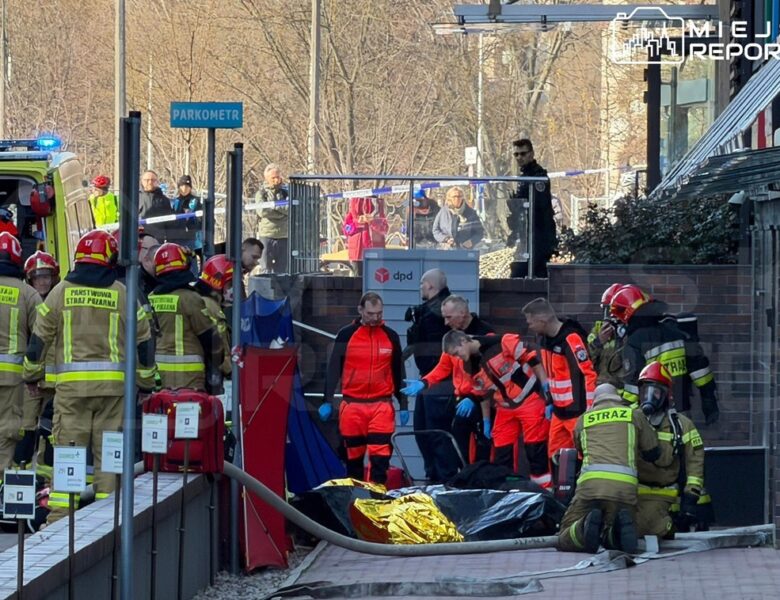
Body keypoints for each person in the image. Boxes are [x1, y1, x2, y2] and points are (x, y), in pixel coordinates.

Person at [23, 230, 158, 523]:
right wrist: (146, 384)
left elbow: (38, 340)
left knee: (68, 458)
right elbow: (144, 342)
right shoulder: (123, 293)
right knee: (110, 459)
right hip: (114, 394)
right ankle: (108, 521)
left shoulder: (60, 292)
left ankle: (60, 522)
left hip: (72, 394)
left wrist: (32, 376)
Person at [556, 383, 665, 554]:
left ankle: (583, 528)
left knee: (565, 533)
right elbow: (652, 452)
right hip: (624, 489)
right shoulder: (633, 415)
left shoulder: (583, 419)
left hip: (590, 488)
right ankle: (613, 534)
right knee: (618, 525)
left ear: (595, 401)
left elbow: (581, 452)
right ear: (617, 397)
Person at [442, 330, 552, 487]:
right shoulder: (469, 367)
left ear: (463, 341)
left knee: (535, 449)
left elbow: (533, 360)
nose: (457, 358)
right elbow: (483, 395)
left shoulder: (501, 343)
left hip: (529, 400)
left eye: (456, 353)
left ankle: (544, 490)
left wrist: (546, 388)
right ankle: (506, 490)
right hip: (504, 407)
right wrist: (486, 420)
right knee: (501, 452)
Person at [318, 293, 407, 484]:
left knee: (380, 458)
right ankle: (355, 497)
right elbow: (334, 368)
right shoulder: (346, 335)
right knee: (353, 459)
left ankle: (377, 496)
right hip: (353, 405)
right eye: (370, 314)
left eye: (379, 313)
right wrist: (327, 400)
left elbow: (398, 371)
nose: (375, 318)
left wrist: (404, 404)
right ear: (360, 310)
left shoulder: (390, 336)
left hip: (381, 405)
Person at [402, 295, 495, 465]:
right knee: (456, 445)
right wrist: (425, 382)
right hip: (460, 400)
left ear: (463, 312)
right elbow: (443, 367)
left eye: (448, 317)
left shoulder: (485, 334)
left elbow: (490, 375)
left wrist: (474, 398)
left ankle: (478, 476)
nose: (445, 322)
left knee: (481, 448)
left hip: (482, 402)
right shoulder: (452, 336)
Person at [609, 285, 720, 424]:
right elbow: (700, 372)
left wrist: (622, 415)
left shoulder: (635, 342)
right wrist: (709, 401)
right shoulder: (677, 333)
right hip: (681, 410)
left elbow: (633, 387)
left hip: (652, 414)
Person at [635, 362, 705, 539]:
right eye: (645, 391)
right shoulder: (631, 420)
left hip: (667, 496)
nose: (649, 397)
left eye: (655, 392)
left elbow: (695, 462)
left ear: (667, 394)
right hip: (635, 495)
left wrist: (690, 498)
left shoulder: (682, 425)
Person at [522, 298, 596, 459]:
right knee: (555, 456)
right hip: (558, 411)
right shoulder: (544, 339)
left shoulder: (570, 339)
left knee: (583, 455)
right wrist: (549, 400)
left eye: (530, 322)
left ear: (542, 320)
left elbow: (588, 374)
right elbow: (551, 374)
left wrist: (590, 409)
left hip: (577, 411)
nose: (529, 326)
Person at [404, 269, 457, 482]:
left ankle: (442, 480)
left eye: (421, 284)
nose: (420, 288)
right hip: (427, 380)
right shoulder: (428, 311)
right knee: (423, 431)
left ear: (430, 286)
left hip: (439, 382)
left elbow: (433, 349)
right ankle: (433, 476)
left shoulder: (438, 312)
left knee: (436, 434)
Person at [149, 243, 223, 393]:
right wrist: (219, 360)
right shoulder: (190, 298)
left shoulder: (150, 298)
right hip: (188, 379)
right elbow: (209, 338)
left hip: (157, 377)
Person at [14, 251, 59, 476]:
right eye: (37, 277)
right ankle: (18, 473)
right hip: (31, 380)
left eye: (46, 276)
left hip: (54, 381)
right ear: (30, 279)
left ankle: (44, 475)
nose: (42, 281)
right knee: (26, 427)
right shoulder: (26, 301)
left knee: (50, 429)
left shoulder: (59, 300)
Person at [0, 234, 41, 471]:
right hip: (12, 379)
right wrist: (35, 376)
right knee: (7, 430)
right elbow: (42, 336)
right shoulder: (28, 294)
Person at [507, 139, 556, 278]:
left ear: (531, 154)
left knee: (526, 272)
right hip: (526, 233)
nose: (519, 157)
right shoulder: (525, 176)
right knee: (521, 271)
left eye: (523, 153)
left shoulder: (538, 176)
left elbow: (541, 207)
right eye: (516, 154)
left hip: (537, 233)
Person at [194, 254, 233, 380]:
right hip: (209, 375)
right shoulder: (212, 307)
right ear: (219, 283)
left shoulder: (201, 299)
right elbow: (220, 346)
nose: (233, 289)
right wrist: (231, 371)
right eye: (230, 284)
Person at [587, 283, 626, 387]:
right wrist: (598, 341)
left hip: (622, 387)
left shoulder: (631, 331)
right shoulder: (597, 331)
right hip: (600, 386)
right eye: (606, 311)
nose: (609, 317)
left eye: (613, 312)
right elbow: (585, 361)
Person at [255, 164, 289, 274]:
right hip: (267, 236)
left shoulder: (286, 192)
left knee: (282, 270)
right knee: (266, 270)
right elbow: (262, 211)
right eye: (273, 178)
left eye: (278, 177)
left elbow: (290, 209)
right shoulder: (261, 193)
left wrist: (274, 205)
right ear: (266, 178)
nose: (276, 180)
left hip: (283, 236)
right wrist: (281, 212)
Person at [344, 196, 388, 276]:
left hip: (375, 253)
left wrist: (372, 221)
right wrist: (357, 222)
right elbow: (346, 230)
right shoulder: (352, 212)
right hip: (357, 254)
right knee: (358, 279)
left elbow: (385, 229)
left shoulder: (378, 209)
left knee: (376, 278)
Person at [139, 170, 173, 241]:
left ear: (157, 182)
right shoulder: (136, 198)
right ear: (142, 181)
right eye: (147, 180)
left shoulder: (164, 200)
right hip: (140, 239)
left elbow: (169, 222)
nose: (150, 182)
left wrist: (169, 240)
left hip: (158, 239)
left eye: (153, 180)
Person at [171, 175, 202, 252]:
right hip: (178, 238)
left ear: (190, 188)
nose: (184, 188)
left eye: (187, 186)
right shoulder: (174, 202)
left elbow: (204, 218)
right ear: (179, 187)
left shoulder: (197, 201)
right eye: (182, 186)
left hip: (194, 238)